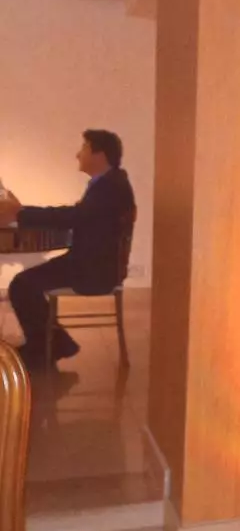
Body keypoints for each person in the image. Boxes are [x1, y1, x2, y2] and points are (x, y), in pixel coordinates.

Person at [0, 130, 135, 369]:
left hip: (92, 270)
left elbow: (73, 216)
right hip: (92, 262)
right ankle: (54, 344)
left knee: (22, 284)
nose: (78, 154)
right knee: (24, 283)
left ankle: (46, 348)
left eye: (84, 148)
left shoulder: (109, 187)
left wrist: (20, 213)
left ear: (100, 154)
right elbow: (79, 216)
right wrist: (22, 212)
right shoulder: (112, 183)